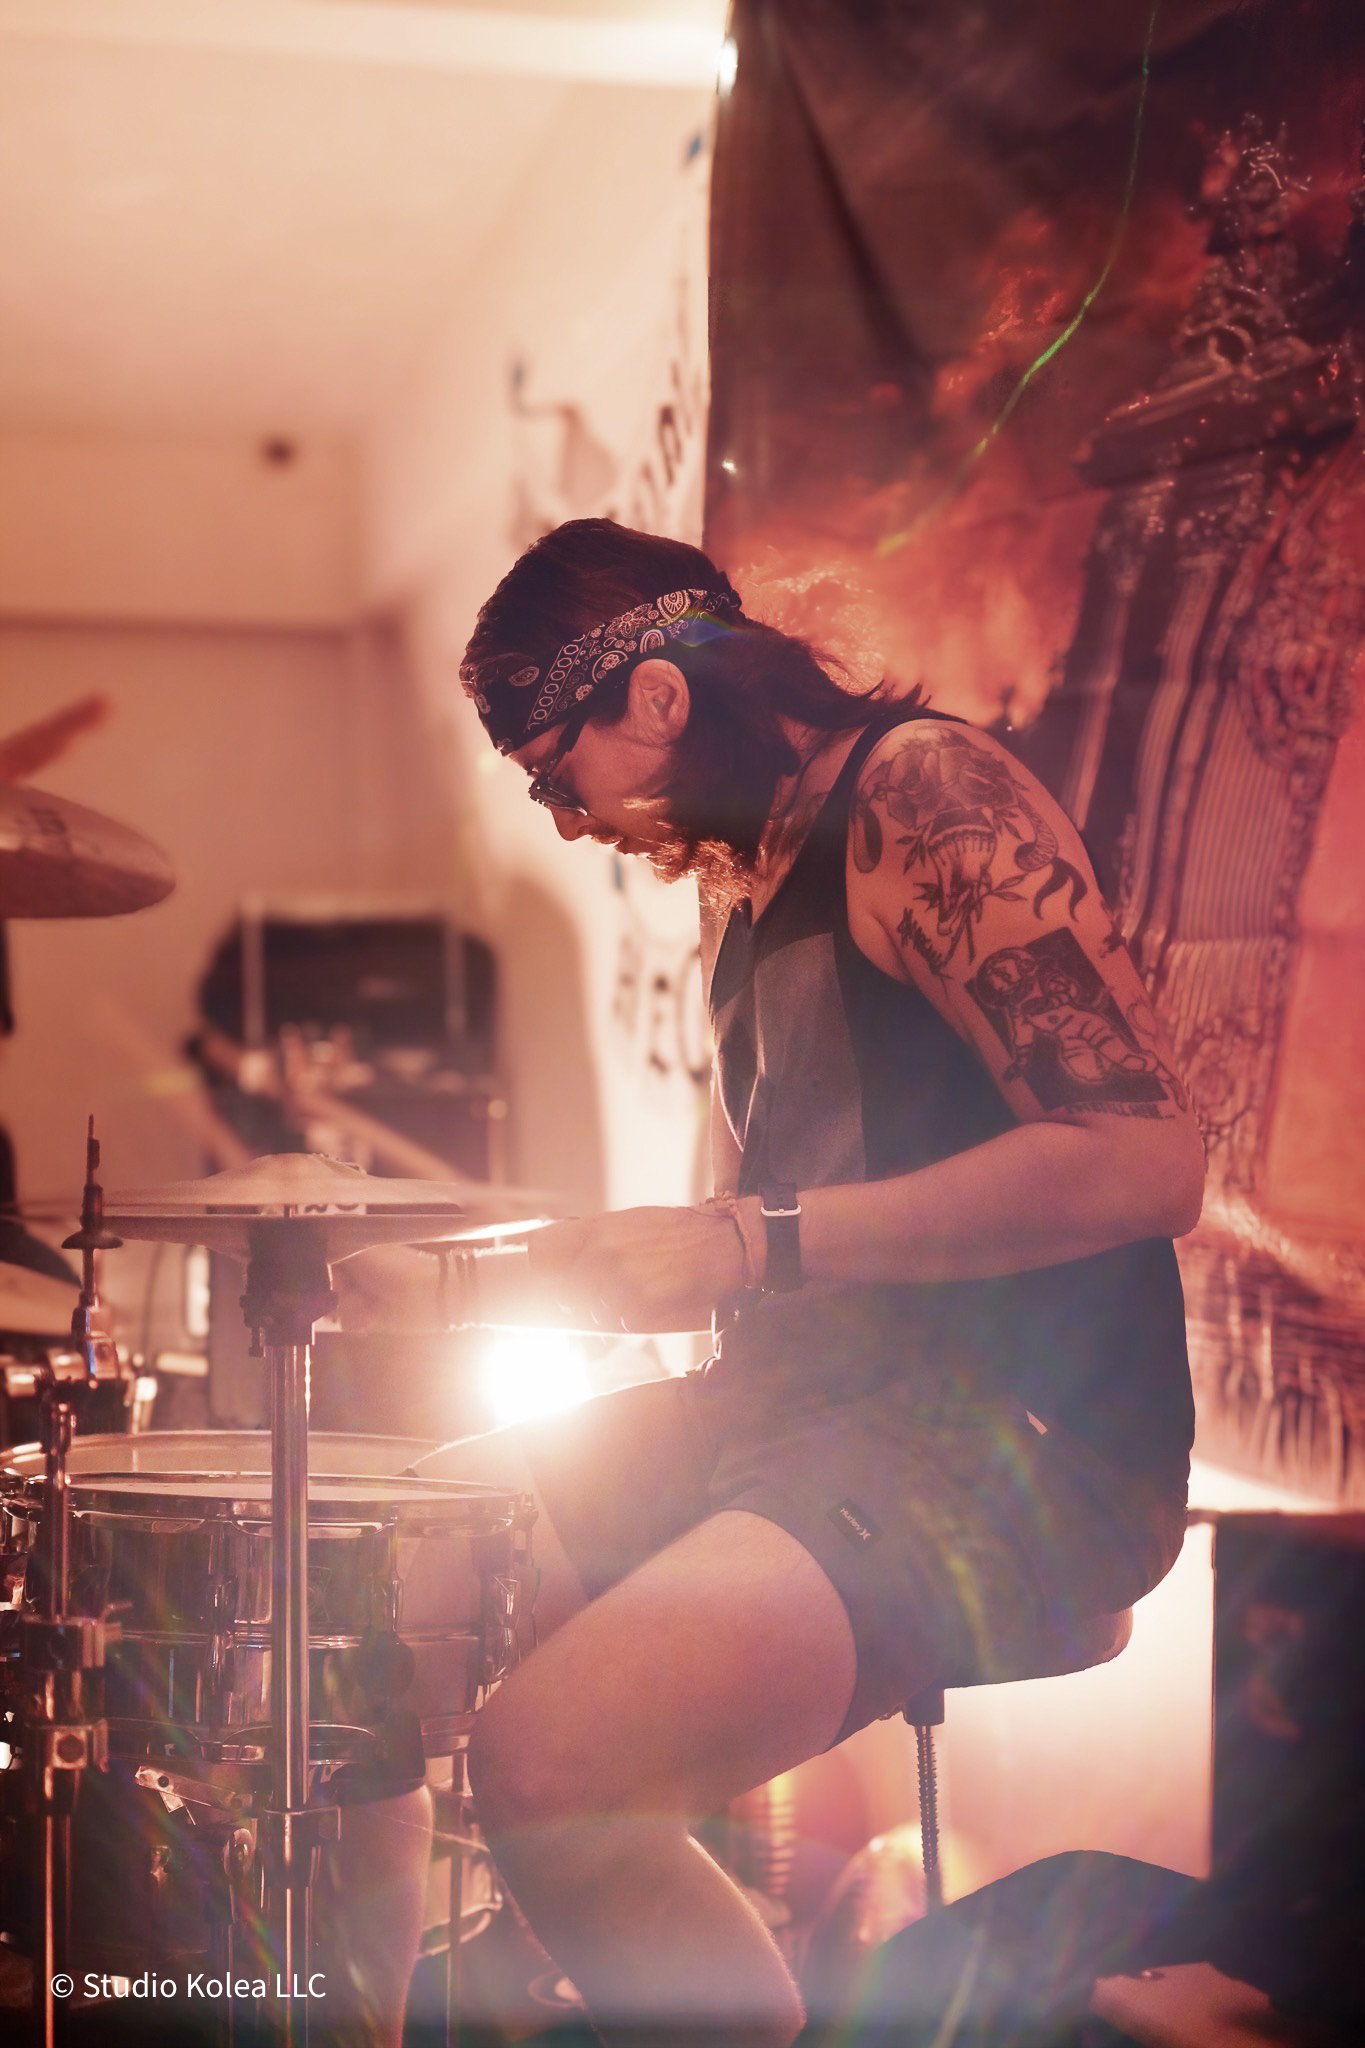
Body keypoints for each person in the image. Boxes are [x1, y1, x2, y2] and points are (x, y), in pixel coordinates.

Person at [370, 517, 1205, 2047]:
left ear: (659, 701)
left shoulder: (924, 795)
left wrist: (757, 1242)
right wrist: (557, 1269)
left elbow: (1145, 1162)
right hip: (814, 1405)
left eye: (559, 773)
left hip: (1010, 1445)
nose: (565, 822)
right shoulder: (760, 887)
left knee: (550, 1769)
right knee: (395, 1569)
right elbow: (807, 1216)